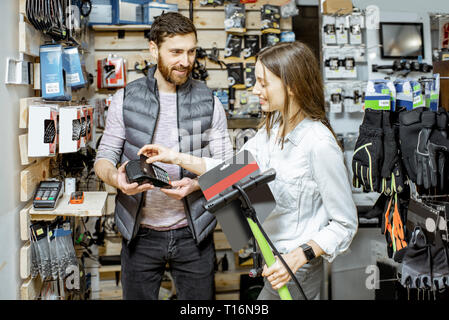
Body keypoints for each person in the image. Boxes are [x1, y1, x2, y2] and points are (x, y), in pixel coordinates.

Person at [138, 41, 358, 300]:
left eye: (264, 83)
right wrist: (175, 159)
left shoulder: (319, 144)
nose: (255, 90)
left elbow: (345, 224)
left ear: (293, 86)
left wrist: (299, 257)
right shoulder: (273, 128)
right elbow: (234, 169)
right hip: (272, 259)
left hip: (296, 270)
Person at [94, 12, 233, 300]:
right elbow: (103, 157)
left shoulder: (209, 102)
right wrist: (116, 179)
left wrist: (196, 185)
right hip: (140, 235)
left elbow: (228, 169)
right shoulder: (125, 99)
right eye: (176, 52)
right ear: (154, 49)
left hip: (194, 234)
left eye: (191, 51)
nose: (186, 61)